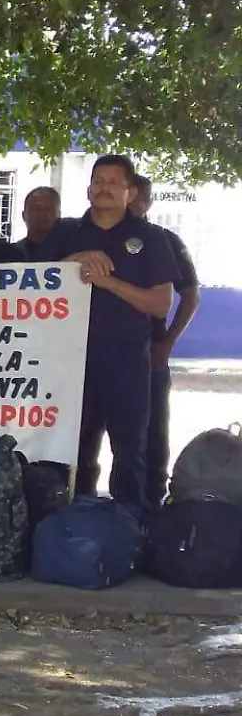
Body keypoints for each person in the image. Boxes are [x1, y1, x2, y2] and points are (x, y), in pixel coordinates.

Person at [37, 155, 178, 517]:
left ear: (130, 192)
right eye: (97, 180)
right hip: (71, 359)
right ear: (88, 189)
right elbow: (35, 283)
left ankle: (131, 530)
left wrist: (107, 281)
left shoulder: (151, 238)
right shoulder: (65, 233)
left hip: (127, 360)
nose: (103, 187)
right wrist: (76, 260)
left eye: (113, 182)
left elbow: (161, 304)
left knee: (130, 451)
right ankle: (69, 530)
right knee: (72, 452)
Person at [129, 174, 200, 506]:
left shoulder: (163, 240)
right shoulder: (91, 238)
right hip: (95, 353)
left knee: (152, 436)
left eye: (137, 196)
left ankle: (152, 510)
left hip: (148, 353)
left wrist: (168, 341)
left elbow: (190, 296)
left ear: (147, 201)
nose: (130, 201)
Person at [16, 186, 61, 259]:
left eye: (48, 210)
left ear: (58, 215)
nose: (42, 215)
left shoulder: (72, 254)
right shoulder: (10, 254)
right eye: (35, 210)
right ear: (24, 215)